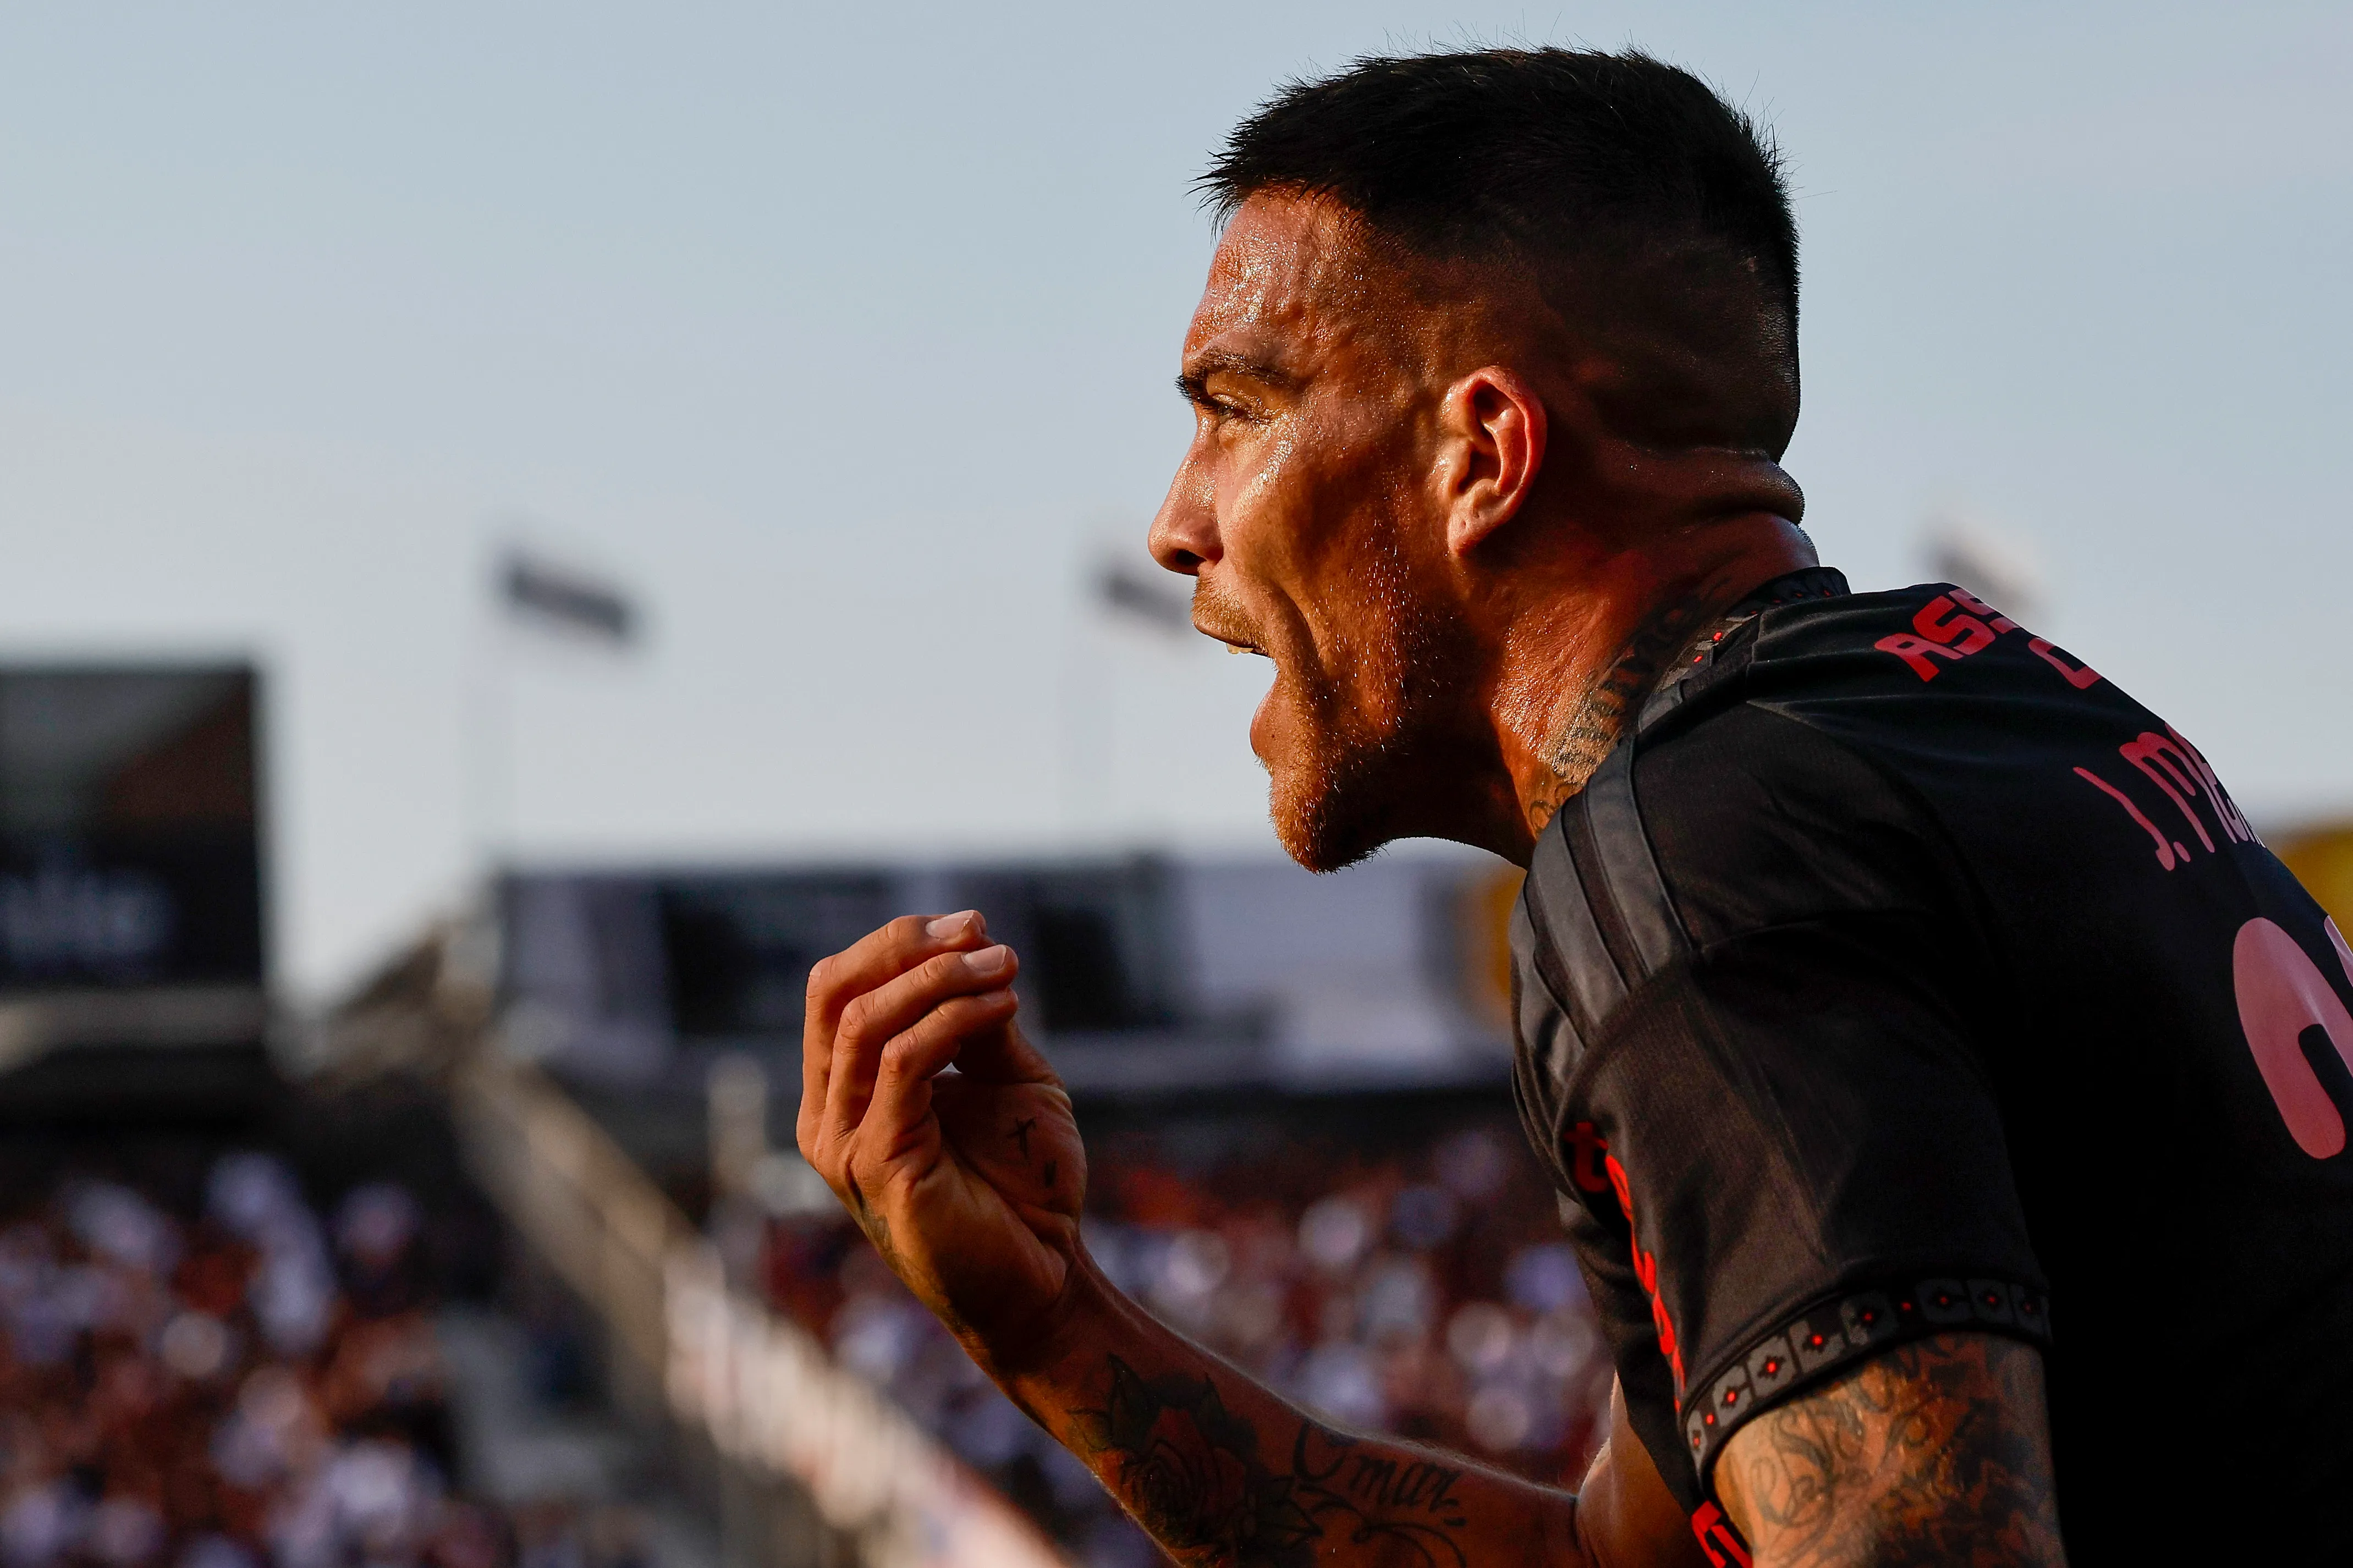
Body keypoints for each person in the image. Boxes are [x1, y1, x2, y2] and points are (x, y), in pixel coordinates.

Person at [797, 47, 2353, 1567]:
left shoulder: (1706, 854)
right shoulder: (1980, 703)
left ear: (1480, 456)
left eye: (1235, 407)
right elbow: (1620, 1553)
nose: (1173, 521)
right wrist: (1053, 1327)